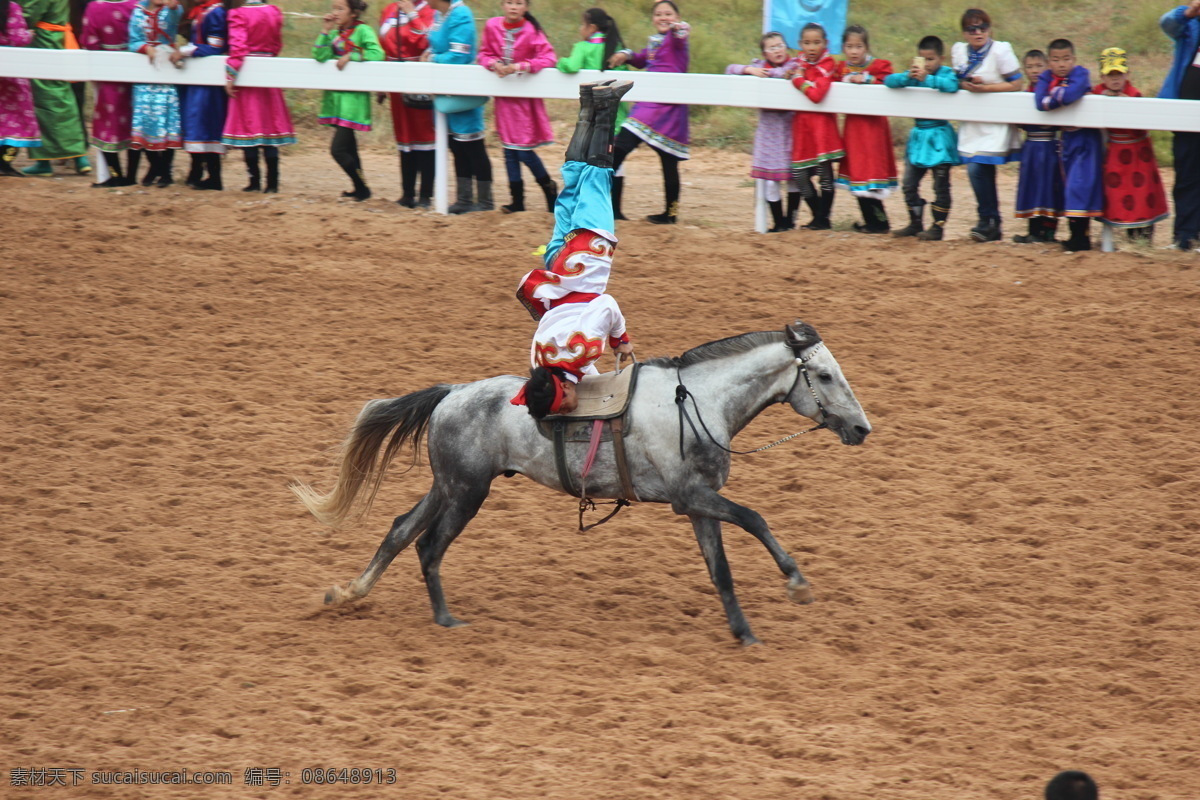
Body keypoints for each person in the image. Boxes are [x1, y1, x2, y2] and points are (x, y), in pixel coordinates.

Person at [511, 80, 636, 420]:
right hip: (556, 265)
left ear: (563, 390)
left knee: (596, 178)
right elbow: (586, 375)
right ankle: (588, 101)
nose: (568, 409)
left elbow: (606, 306)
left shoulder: (581, 355)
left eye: (563, 406)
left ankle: (607, 105)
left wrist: (620, 341)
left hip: (585, 263)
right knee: (575, 177)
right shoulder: (539, 363)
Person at [606, 0, 690, 224]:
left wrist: (676, 26)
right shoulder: (655, 41)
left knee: (667, 160)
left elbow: (682, 32)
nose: (663, 17)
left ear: (676, 16)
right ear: (652, 19)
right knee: (622, 146)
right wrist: (625, 54)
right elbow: (642, 59)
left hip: (668, 105)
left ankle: (670, 214)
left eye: (668, 14)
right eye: (658, 14)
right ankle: (594, 196)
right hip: (650, 103)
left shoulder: (677, 38)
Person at [478, 0, 557, 214]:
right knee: (508, 149)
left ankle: (549, 188)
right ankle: (517, 200)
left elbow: (549, 58)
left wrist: (519, 67)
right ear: (502, 5)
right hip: (504, 97)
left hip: (525, 100)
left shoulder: (532, 31)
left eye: (519, 3)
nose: (513, 7)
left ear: (526, 7)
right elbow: (483, 53)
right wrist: (494, 64)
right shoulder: (492, 26)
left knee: (523, 150)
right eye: (509, 2)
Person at [952, 7, 1022, 242]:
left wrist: (986, 88)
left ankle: (989, 219)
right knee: (979, 169)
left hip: (995, 121)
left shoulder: (1001, 50)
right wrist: (968, 84)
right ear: (964, 32)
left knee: (977, 168)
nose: (978, 32)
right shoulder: (960, 52)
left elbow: (1016, 83)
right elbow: (958, 79)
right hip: (973, 121)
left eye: (983, 27)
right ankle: (990, 221)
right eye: (972, 29)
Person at [884, 34, 961, 240]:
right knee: (909, 183)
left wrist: (927, 79)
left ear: (940, 59)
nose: (926, 63)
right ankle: (915, 222)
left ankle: (938, 227)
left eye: (930, 59)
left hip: (939, 136)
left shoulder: (946, 73)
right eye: (922, 59)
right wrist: (907, 77)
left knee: (940, 185)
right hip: (918, 136)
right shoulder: (914, 75)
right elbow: (888, 81)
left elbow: (952, 85)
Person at [1092, 47, 1170, 241]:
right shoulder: (1097, 93)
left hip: (1137, 153)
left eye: (1119, 73)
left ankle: (1143, 239)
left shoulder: (1134, 94)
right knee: (1115, 194)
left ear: (1127, 73)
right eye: (1111, 75)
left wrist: (1127, 104)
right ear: (1102, 76)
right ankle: (1115, 240)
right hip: (1115, 152)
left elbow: (1141, 124)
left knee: (1142, 193)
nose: (1115, 79)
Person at [726, 32, 801, 232]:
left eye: (780, 45)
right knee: (770, 181)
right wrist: (749, 69)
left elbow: (788, 73)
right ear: (764, 52)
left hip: (791, 128)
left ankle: (790, 220)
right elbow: (729, 69)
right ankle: (779, 223)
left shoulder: (795, 65)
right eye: (772, 47)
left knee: (795, 178)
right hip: (769, 132)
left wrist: (768, 73)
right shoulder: (759, 66)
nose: (777, 50)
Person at [221, 0, 297, 193]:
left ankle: (254, 182)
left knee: (249, 128)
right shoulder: (273, 12)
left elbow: (238, 49)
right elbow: (276, 45)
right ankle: (272, 184)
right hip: (268, 73)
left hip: (248, 77)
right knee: (268, 129)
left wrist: (231, 75)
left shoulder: (238, 14)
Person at [425, 0, 493, 214]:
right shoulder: (439, 15)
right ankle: (464, 199)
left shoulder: (461, 14)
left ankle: (485, 202)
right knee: (456, 146)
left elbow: (459, 55)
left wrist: (432, 59)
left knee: (473, 147)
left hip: (462, 91)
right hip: (445, 91)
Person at [1035, 38, 1102, 252]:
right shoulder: (1046, 76)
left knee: (1079, 186)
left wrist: (1054, 97)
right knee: (1067, 186)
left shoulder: (1080, 73)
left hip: (1086, 138)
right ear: (1049, 61)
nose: (1061, 64)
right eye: (1055, 60)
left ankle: (1081, 238)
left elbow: (1072, 93)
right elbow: (1039, 102)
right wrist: (1058, 97)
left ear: (1074, 59)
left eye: (1066, 59)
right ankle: (1077, 236)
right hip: (1066, 140)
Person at [314, 0, 385, 202]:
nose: (335, 13)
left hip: (353, 101)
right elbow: (319, 55)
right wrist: (325, 31)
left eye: (340, 9)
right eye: (333, 8)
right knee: (350, 149)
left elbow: (377, 53)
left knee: (338, 150)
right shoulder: (335, 34)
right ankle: (361, 189)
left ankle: (362, 186)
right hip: (336, 100)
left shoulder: (363, 31)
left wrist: (353, 55)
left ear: (353, 13)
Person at [834, 24, 896, 234]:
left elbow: (889, 80)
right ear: (843, 47)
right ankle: (870, 221)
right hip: (853, 129)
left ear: (866, 47)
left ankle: (880, 222)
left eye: (858, 46)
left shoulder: (879, 66)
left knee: (871, 173)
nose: (854, 51)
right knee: (857, 172)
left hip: (872, 129)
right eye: (850, 46)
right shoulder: (841, 68)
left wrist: (868, 79)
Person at [21, 0, 90, 176]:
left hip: (42, 43)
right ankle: (79, 157)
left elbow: (28, 14)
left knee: (41, 102)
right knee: (65, 98)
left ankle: (43, 162)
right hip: (59, 40)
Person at [378, 0, 435, 207]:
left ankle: (425, 195)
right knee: (404, 136)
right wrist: (382, 82)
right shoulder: (389, 10)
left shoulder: (430, 10)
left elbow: (426, 40)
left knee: (425, 137)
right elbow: (384, 46)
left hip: (419, 78)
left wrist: (412, 14)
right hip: (395, 81)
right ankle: (407, 193)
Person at [81, 0, 140, 186]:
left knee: (106, 125)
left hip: (107, 72)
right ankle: (130, 177)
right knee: (134, 126)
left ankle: (116, 175)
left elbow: (89, 41)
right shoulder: (136, 5)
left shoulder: (94, 8)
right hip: (135, 71)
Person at [790, 22, 842, 230]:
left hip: (822, 129)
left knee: (825, 176)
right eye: (807, 43)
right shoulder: (797, 63)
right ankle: (819, 217)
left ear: (825, 43)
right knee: (800, 175)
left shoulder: (827, 65)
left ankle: (822, 219)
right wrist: (796, 76)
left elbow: (817, 95)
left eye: (816, 42)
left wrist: (798, 81)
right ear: (800, 44)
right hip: (802, 128)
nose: (812, 47)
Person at [172, 0, 228, 190]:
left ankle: (214, 176)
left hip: (208, 82)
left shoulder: (215, 13)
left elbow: (216, 46)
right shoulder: (201, 11)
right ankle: (197, 171)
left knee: (206, 124)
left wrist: (186, 51)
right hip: (197, 79)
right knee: (195, 124)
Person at [128, 0, 183, 187]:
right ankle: (157, 167)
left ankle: (165, 172)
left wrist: (173, 6)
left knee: (166, 122)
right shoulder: (137, 12)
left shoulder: (170, 10)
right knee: (144, 121)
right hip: (144, 74)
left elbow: (176, 15)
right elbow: (133, 40)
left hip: (166, 73)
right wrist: (146, 48)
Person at [1159, 0, 1200, 251]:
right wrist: (1189, 12)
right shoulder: (1191, 26)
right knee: (1186, 176)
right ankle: (1184, 236)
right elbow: (1167, 24)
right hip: (1184, 115)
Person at [1013, 49, 1063, 243]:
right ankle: (1033, 232)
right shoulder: (1025, 95)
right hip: (1031, 146)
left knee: (1050, 187)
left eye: (1039, 66)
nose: (1034, 71)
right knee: (1031, 186)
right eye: (1030, 67)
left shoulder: (1053, 90)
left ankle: (1049, 233)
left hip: (1050, 145)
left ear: (1047, 67)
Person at [0, 0, 44, 177]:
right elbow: (18, 38)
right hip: (11, 74)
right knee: (17, 120)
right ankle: (4, 163)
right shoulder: (11, 7)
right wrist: (29, 34)